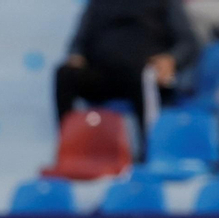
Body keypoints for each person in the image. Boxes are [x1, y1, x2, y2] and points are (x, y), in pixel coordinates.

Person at [55, 0, 198, 127]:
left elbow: (188, 42)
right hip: (102, 73)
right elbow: (79, 41)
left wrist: (171, 59)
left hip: (145, 72)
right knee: (65, 73)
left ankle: (149, 147)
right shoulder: (98, 3)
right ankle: (68, 141)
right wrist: (76, 55)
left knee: (144, 76)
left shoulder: (166, 2)